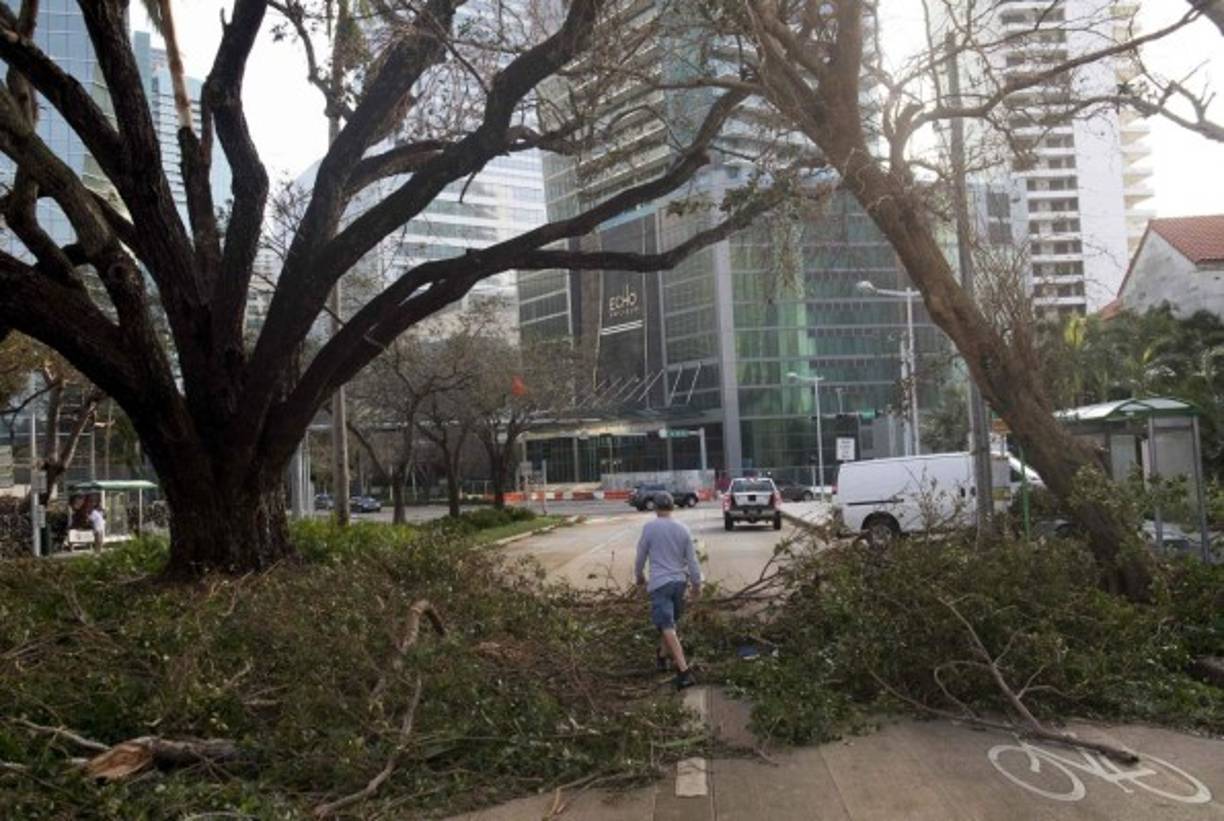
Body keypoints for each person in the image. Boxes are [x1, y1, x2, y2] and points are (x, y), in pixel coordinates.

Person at [634, 491, 702, 690]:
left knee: (667, 626)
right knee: (668, 624)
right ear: (673, 507)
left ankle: (684, 672)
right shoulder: (683, 529)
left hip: (660, 584)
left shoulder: (649, 528)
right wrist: (697, 585)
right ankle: (662, 657)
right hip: (679, 583)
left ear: (655, 507)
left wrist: (639, 576)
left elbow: (640, 556)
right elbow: (692, 560)